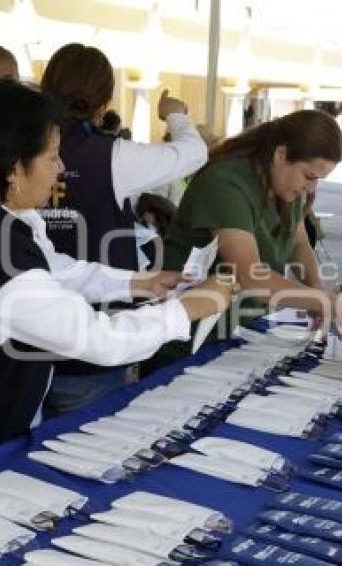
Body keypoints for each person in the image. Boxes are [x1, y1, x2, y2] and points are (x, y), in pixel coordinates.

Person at [0, 80, 233, 496]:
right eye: (51, 157)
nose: (61, 169)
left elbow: (52, 270)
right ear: (14, 168)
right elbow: (99, 340)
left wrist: (140, 282)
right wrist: (190, 307)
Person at [39, 43, 208, 415]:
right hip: (93, 348)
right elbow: (193, 153)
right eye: (52, 161)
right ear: (104, 103)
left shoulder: (17, 147)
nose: (56, 168)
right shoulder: (112, 156)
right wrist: (176, 116)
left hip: (25, 350)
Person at [152, 109, 342, 366]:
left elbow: (298, 243)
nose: (311, 188)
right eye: (309, 176)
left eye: (318, 180)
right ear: (281, 155)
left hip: (242, 332)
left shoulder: (287, 187)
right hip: (189, 338)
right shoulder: (225, 182)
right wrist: (329, 302)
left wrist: (316, 291)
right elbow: (249, 275)